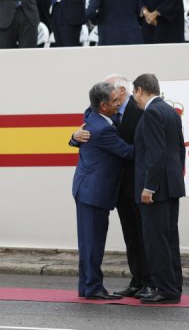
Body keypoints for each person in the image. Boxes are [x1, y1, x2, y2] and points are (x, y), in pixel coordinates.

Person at [69, 75, 150, 298]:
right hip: (93, 193)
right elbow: (129, 152)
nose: (119, 103)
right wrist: (154, 143)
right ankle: (93, 288)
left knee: (89, 242)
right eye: (115, 101)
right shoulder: (103, 130)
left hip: (88, 190)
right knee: (92, 244)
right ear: (103, 106)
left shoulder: (92, 115)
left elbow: (87, 114)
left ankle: (87, 287)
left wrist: (74, 137)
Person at [132, 73, 185, 304]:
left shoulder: (152, 112)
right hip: (171, 186)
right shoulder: (170, 111)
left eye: (134, 93)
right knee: (169, 239)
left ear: (141, 90)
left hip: (157, 190)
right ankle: (173, 287)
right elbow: (179, 150)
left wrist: (149, 187)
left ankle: (164, 289)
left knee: (156, 240)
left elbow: (156, 153)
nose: (134, 98)